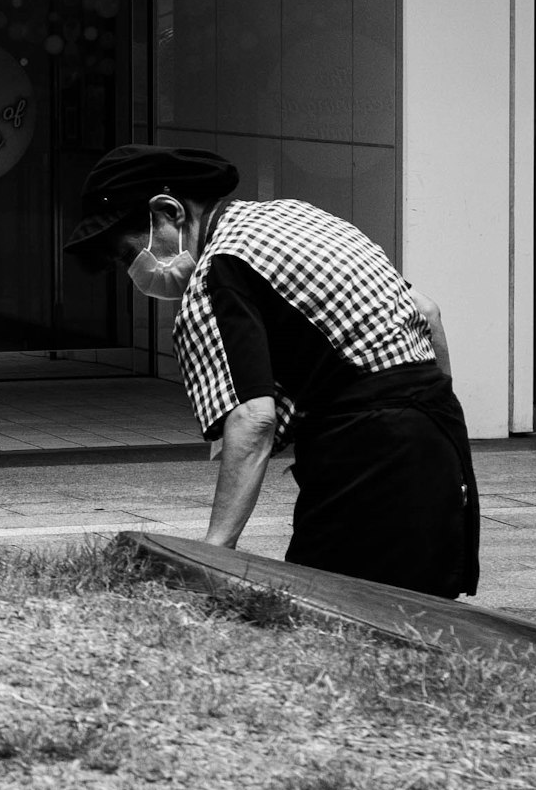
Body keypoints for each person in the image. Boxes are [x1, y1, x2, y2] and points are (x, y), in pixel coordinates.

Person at [63, 145, 479, 598]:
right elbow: (428, 311)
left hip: (369, 455)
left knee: (329, 614)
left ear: (169, 212)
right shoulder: (295, 216)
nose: (134, 271)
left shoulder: (220, 269)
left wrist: (213, 554)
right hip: (440, 435)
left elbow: (253, 418)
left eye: (129, 254)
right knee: (427, 617)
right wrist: (431, 424)